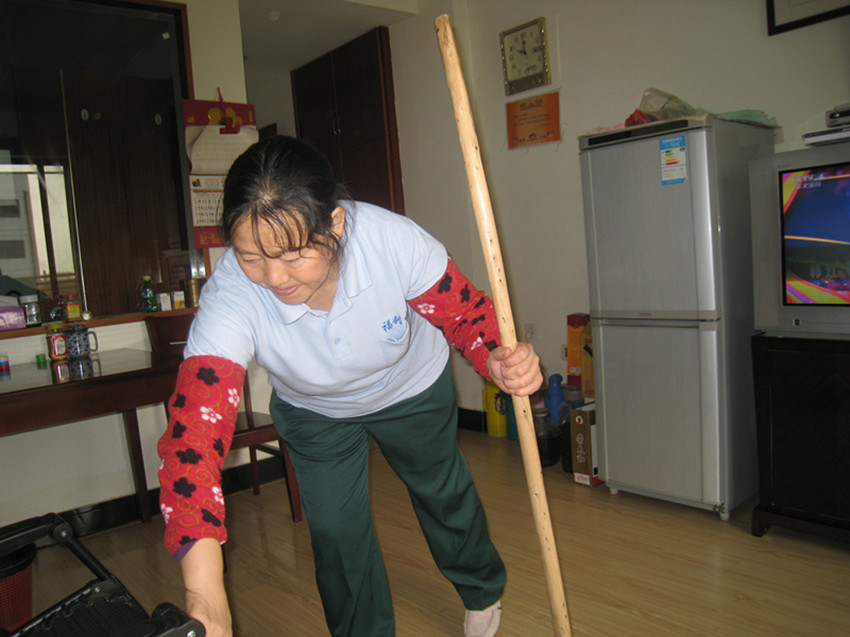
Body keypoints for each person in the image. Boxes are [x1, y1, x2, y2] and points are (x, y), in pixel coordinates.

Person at [157, 135, 543, 637]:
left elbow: (466, 315)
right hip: (314, 410)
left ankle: (481, 586)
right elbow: (193, 437)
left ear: (334, 224)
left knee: (441, 493)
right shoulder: (232, 293)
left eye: (293, 253)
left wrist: (497, 358)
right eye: (251, 256)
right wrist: (206, 593)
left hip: (410, 387)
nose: (273, 277)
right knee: (336, 534)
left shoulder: (392, 242)